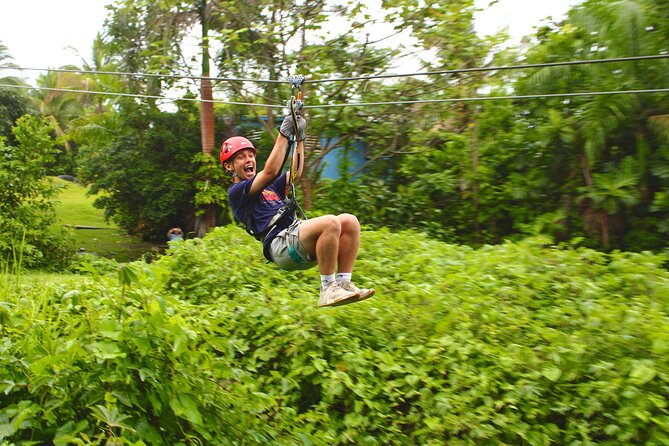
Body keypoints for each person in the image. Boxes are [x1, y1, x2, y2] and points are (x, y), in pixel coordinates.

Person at [220, 112, 375, 308]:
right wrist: (284, 133)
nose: (249, 159)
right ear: (229, 167)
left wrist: (300, 137)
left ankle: (344, 283)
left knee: (350, 221)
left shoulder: (270, 187)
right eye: (241, 157)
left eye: (251, 155)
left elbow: (296, 172)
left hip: (296, 237)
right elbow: (270, 171)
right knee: (331, 222)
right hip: (280, 245)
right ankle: (328, 288)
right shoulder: (237, 192)